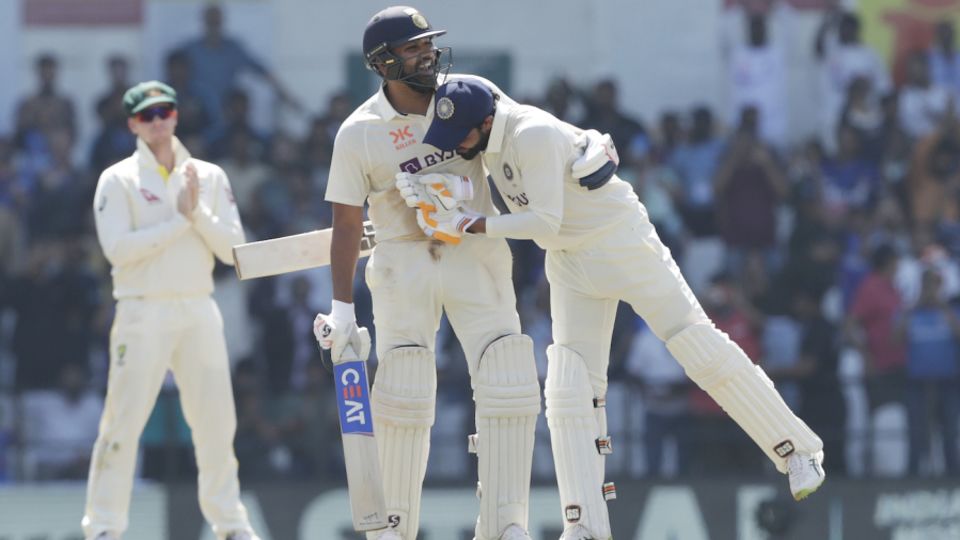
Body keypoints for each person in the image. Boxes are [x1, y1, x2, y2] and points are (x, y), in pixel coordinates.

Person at [415, 78, 826, 539]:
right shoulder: (487, 133)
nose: (458, 147)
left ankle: (797, 451)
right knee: (568, 385)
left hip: (619, 241)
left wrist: (471, 223)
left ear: (486, 123)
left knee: (695, 344)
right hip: (569, 260)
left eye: (462, 136)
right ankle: (585, 525)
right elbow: (477, 93)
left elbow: (543, 221)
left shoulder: (531, 133)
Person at [316, 7, 540, 540]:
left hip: (474, 251)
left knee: (507, 371)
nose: (428, 55)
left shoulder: (470, 92)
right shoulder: (359, 133)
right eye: (413, 49)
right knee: (405, 386)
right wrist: (342, 309)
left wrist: (574, 147)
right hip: (402, 263)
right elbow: (345, 225)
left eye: (427, 45)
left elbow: (524, 133)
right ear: (383, 63)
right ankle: (392, 527)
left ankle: (507, 523)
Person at [82, 80, 258, 540]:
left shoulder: (209, 176)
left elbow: (234, 249)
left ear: (176, 115)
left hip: (198, 305)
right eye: (146, 115)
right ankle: (103, 528)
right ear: (132, 124)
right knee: (121, 423)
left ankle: (230, 524)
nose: (157, 122)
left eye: (164, 112)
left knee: (217, 423)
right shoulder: (118, 179)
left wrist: (196, 213)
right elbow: (117, 250)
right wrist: (180, 220)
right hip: (142, 311)